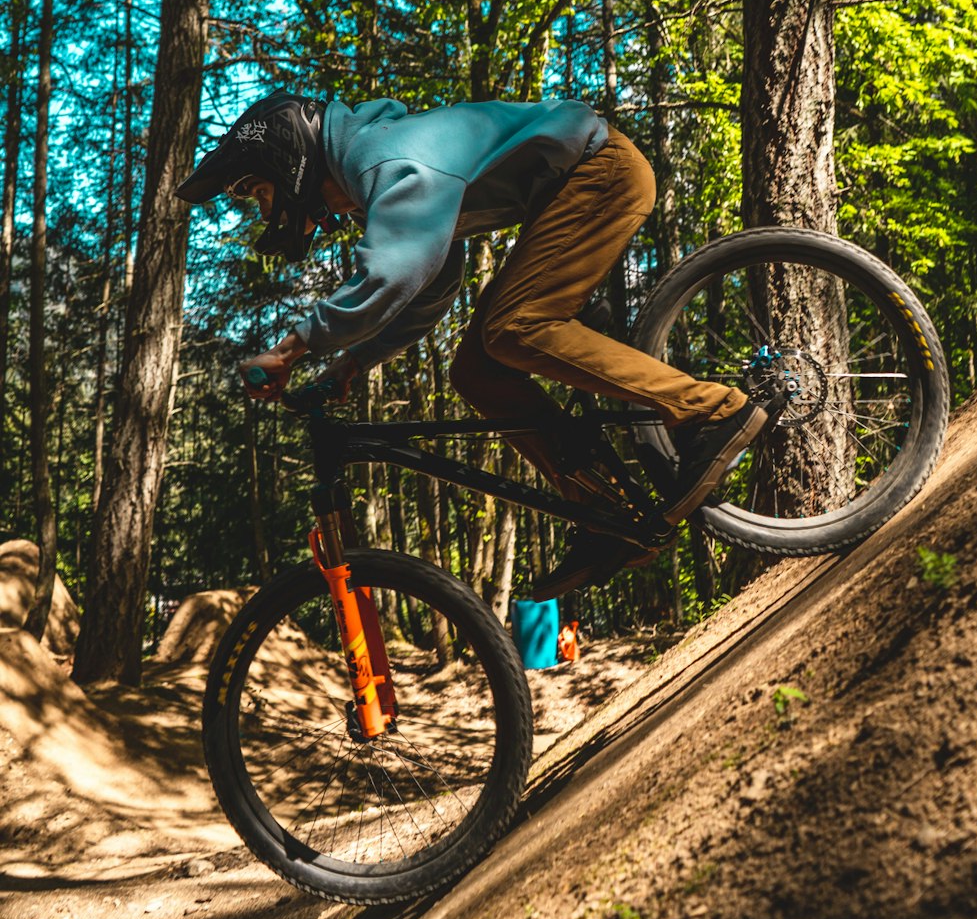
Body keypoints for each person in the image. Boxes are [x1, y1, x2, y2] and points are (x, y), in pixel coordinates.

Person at [177, 90, 766, 595]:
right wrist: (353, 362)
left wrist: (289, 349)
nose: (263, 208)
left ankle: (709, 409)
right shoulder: (386, 166)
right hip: (572, 190)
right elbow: (431, 286)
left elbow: (392, 273)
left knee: (514, 328)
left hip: (603, 173)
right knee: (477, 370)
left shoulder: (379, 155)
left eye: (258, 191)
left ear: (289, 163)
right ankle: (605, 510)